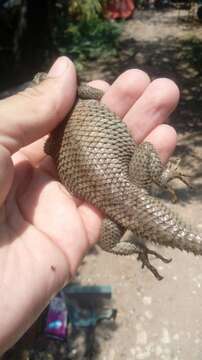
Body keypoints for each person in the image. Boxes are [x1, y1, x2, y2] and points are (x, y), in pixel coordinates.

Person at [0, 56, 179, 354]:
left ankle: (143, 250)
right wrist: (77, 90)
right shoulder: (83, 96)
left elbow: (48, 148)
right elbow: (98, 94)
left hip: (113, 208)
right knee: (147, 147)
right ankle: (162, 179)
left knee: (108, 242)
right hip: (128, 181)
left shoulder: (51, 140)